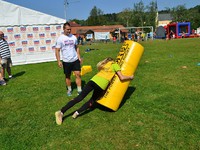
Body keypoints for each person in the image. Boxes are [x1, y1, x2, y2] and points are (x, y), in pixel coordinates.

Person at [55, 57, 134, 125]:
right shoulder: (115, 65)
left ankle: (61, 111)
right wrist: (130, 77)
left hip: (92, 80)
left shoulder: (105, 65)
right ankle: (77, 113)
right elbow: (122, 77)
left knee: (79, 97)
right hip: (101, 85)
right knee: (92, 100)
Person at [55, 22, 82, 96]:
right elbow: (57, 50)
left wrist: (79, 56)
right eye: (67, 29)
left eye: (70, 29)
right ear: (64, 29)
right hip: (66, 61)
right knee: (67, 76)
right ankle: (69, 90)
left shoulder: (73, 37)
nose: (69, 31)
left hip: (75, 59)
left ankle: (79, 90)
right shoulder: (60, 39)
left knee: (78, 74)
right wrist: (58, 61)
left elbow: (77, 47)